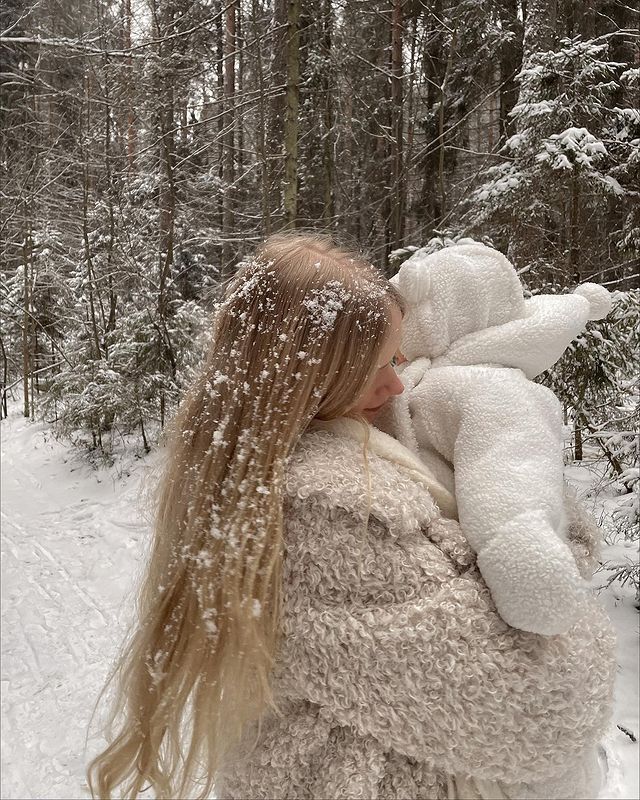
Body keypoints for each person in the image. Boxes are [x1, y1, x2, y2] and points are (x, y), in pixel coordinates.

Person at [87, 233, 615, 800]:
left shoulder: (261, 468)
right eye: (372, 367)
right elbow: (544, 705)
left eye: (396, 358)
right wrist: (563, 558)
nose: (395, 385)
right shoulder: (328, 511)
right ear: (304, 377)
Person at [381, 242, 612, 635]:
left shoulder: (490, 388)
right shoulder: (425, 374)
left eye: (408, 317)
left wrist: (517, 540)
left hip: (476, 556)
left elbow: (509, 461)